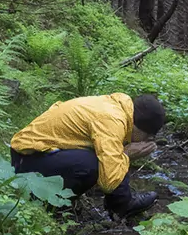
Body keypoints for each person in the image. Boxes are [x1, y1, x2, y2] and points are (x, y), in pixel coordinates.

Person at [9, 93, 164, 219]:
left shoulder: (117, 109)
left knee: (107, 155)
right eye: (147, 138)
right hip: (26, 163)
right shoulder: (113, 120)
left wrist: (122, 153)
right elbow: (108, 182)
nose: (144, 142)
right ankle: (51, 206)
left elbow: (110, 152)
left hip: (35, 155)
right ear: (140, 130)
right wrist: (127, 154)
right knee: (92, 164)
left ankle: (120, 204)